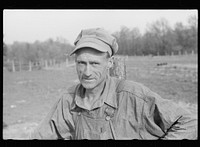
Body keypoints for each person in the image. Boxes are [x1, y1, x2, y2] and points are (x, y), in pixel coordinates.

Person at [30, 28, 197, 140]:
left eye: (95, 64)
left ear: (109, 63)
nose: (87, 72)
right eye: (81, 63)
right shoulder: (68, 100)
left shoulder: (132, 95)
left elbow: (188, 122)